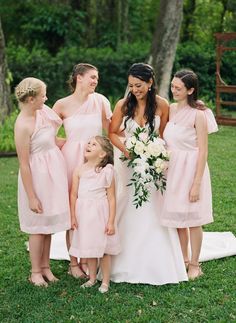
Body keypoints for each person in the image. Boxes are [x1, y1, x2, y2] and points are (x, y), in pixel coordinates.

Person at [109, 63, 188, 285]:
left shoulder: (162, 105)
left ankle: (156, 258)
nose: (135, 89)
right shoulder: (123, 105)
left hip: (153, 164)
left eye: (139, 85)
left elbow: (164, 135)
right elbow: (112, 133)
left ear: (150, 82)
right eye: (132, 85)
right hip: (129, 163)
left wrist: (156, 155)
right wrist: (128, 150)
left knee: (153, 206)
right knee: (129, 204)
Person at [52, 63, 112, 278]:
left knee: (93, 207)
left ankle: (90, 258)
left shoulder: (101, 101)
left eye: (97, 78)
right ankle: (74, 263)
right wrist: (66, 143)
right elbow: (45, 133)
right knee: (74, 207)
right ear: (79, 77)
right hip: (71, 160)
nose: (96, 81)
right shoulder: (62, 105)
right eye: (92, 77)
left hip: (95, 161)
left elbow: (110, 131)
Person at [160, 69, 218, 280]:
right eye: (173, 87)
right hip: (173, 169)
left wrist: (196, 183)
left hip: (192, 168)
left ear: (191, 90)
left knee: (194, 219)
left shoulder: (199, 115)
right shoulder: (172, 109)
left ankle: (195, 263)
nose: (174, 91)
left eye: (179, 88)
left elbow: (203, 150)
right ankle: (182, 259)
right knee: (177, 218)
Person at [14, 77, 71, 286]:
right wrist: (31, 196)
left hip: (53, 172)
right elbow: (24, 164)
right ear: (30, 99)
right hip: (37, 176)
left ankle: (46, 267)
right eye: (42, 95)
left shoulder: (43, 112)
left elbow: (53, 137)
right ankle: (35, 271)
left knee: (49, 224)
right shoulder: (23, 125)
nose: (46, 98)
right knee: (38, 226)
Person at [69, 136, 121, 293]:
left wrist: (111, 221)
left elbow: (111, 198)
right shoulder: (79, 170)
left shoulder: (107, 171)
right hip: (84, 214)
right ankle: (92, 278)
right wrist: (73, 216)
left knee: (103, 249)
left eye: (94, 144)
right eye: (89, 142)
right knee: (90, 248)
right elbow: (73, 195)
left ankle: (105, 281)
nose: (89, 145)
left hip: (100, 214)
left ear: (102, 154)